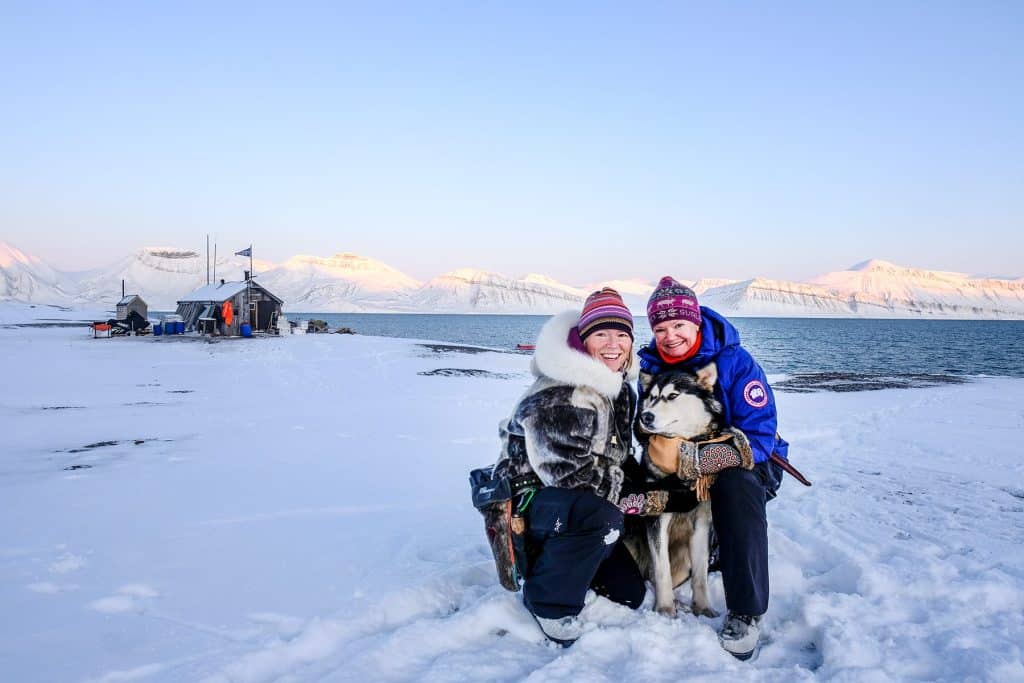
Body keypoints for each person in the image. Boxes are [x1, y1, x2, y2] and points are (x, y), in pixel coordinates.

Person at [493, 288, 696, 646]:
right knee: (601, 515)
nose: (612, 344)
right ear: (582, 340)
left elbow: (616, 459)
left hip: (574, 507)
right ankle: (547, 602)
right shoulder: (560, 391)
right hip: (531, 507)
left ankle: (573, 564)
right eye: (601, 333)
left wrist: (660, 483)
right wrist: (652, 501)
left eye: (622, 334)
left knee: (628, 594)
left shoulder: (617, 390)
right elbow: (571, 477)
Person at [637, 276, 788, 660]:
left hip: (748, 461)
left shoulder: (735, 362)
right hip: (676, 465)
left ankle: (746, 610)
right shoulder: (651, 367)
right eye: (660, 328)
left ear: (697, 323)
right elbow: (646, 427)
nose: (669, 336)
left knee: (734, 488)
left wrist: (703, 461)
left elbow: (761, 435)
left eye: (678, 325)